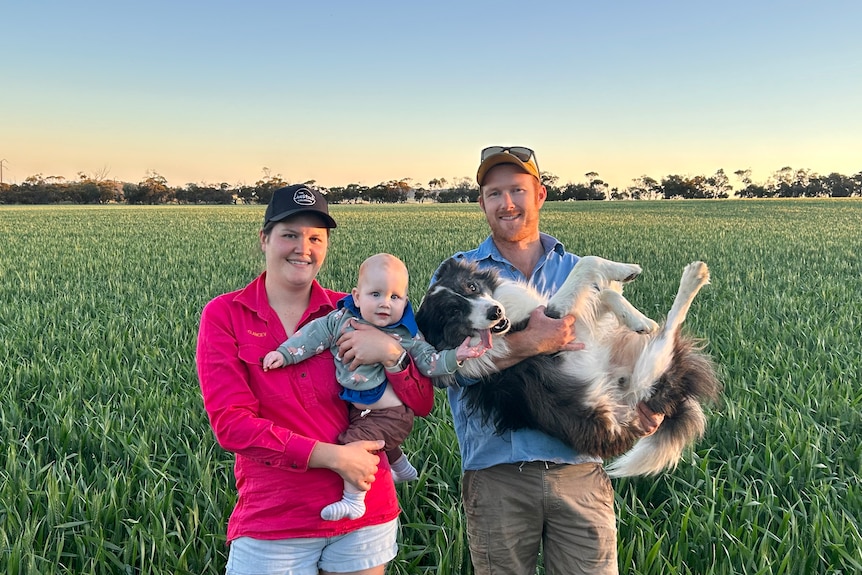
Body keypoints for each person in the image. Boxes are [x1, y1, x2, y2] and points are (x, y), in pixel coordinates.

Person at [432, 146, 665, 575]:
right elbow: (442, 372)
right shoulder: (456, 277)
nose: (506, 203)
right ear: (481, 201)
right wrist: (530, 344)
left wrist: (644, 408)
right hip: (497, 473)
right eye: (494, 192)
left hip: (579, 470)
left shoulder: (578, 269)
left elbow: (612, 353)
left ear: (539, 195)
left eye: (517, 190)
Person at [197, 184, 435, 575]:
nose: (302, 248)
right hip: (275, 520)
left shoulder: (358, 311)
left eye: (314, 237)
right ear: (264, 239)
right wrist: (334, 457)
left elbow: (422, 404)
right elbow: (231, 425)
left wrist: (391, 354)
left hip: (364, 515)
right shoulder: (226, 315)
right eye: (289, 234)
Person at [261, 252, 487, 521]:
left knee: (354, 442)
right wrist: (285, 354)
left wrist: (456, 356)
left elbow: (430, 362)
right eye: (376, 294)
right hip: (362, 408)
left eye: (395, 297)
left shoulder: (406, 335)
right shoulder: (340, 320)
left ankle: (354, 500)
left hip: (392, 414)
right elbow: (312, 337)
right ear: (357, 296)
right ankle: (401, 466)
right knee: (365, 430)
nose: (385, 304)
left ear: (406, 302)